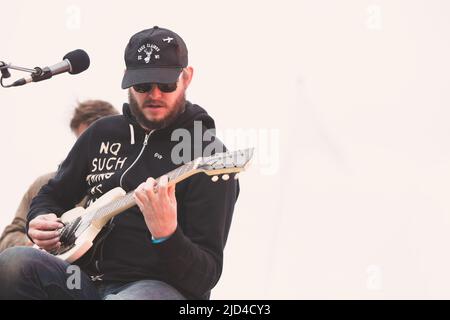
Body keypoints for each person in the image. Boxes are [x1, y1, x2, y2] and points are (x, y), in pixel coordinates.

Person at [0, 26, 239, 300]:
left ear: (187, 77)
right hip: (81, 279)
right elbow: (52, 194)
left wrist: (167, 234)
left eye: (167, 85)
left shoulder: (208, 155)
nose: (155, 95)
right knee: (13, 264)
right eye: (143, 86)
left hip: (155, 288)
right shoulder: (101, 133)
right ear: (126, 79)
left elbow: (204, 276)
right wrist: (39, 218)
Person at [0, 100, 118, 253]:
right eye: (83, 141)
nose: (89, 148)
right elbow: (7, 239)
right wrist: (38, 237)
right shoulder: (44, 183)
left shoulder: (126, 183)